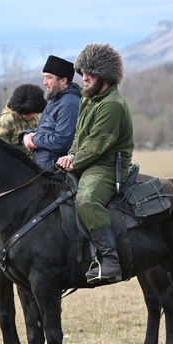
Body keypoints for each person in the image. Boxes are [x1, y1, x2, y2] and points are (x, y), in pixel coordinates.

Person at [56, 43, 134, 284]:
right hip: (87, 161)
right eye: (82, 72)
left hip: (107, 166)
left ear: (106, 76)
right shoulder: (89, 99)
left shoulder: (112, 104)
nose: (84, 77)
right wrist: (70, 155)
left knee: (86, 200)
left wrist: (75, 161)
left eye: (89, 73)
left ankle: (109, 261)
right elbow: (80, 138)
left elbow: (98, 144)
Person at [21, 55, 81, 171]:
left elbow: (62, 141)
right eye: (44, 77)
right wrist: (26, 136)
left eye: (49, 77)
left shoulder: (69, 104)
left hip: (52, 171)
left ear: (63, 81)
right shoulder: (56, 100)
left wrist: (34, 140)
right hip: (40, 165)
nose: (44, 82)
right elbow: (44, 130)